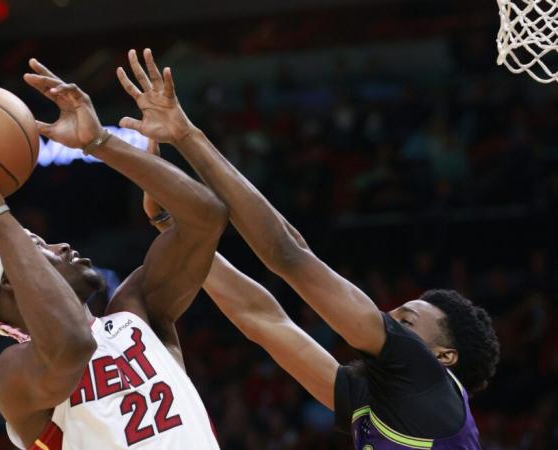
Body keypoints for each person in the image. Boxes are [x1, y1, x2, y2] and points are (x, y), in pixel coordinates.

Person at [120, 48, 500, 449]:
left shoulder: (426, 381)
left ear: (443, 358)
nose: (385, 318)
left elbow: (289, 253)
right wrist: (177, 230)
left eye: (403, 323)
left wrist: (186, 136)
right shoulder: (377, 401)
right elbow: (261, 319)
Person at [0, 58, 227, 450]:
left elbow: (205, 218)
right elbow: (72, 345)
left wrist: (101, 143)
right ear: (13, 282)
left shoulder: (135, 310)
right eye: (38, 247)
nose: (61, 245)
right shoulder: (13, 374)